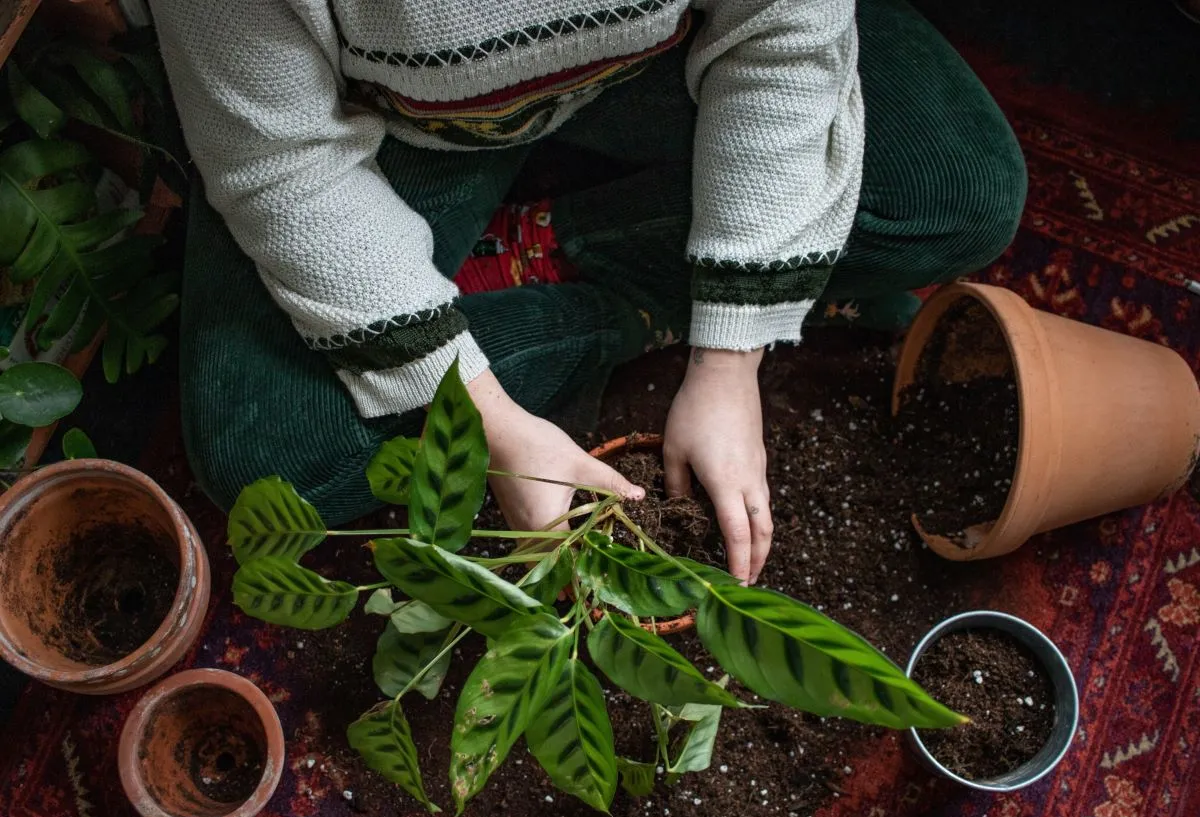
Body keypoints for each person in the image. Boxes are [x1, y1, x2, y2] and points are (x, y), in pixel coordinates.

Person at [150, 0, 1025, 584]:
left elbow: (782, 32)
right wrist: (488, 422)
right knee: (267, 455)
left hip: (651, 65)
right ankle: (616, 286)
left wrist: (729, 360)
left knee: (959, 193)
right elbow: (278, 159)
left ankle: (546, 252)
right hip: (394, 122)